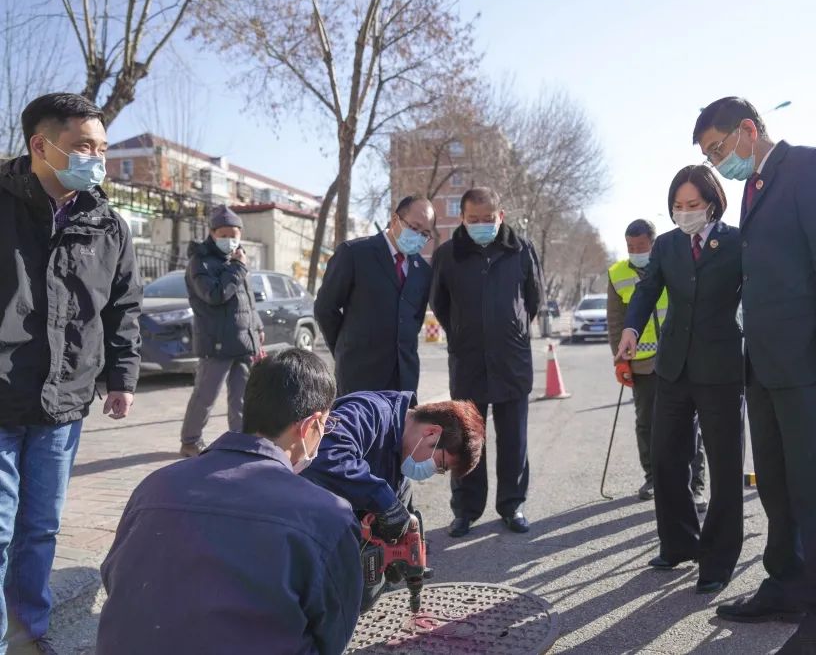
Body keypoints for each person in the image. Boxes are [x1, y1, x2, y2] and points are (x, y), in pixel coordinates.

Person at [694, 97, 816, 654]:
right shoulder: (754, 188)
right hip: (765, 365)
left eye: (719, 150)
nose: (719, 164)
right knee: (777, 485)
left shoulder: (814, 168)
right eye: (710, 157)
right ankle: (786, 584)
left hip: (814, 364)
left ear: (748, 129)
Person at [98, 349, 362, 655]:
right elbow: (333, 633)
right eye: (326, 427)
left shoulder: (154, 486)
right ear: (310, 426)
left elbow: (115, 579)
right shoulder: (327, 514)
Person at [0, 92, 141, 654]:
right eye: (84, 146)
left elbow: (123, 307)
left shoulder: (107, 225)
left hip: (64, 404)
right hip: (2, 398)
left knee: (40, 528)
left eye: (103, 148)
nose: (96, 159)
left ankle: (29, 630)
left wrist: (123, 379)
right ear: (41, 145)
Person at [615, 166, 745, 595]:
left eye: (693, 205)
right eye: (677, 206)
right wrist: (630, 330)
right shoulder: (667, 245)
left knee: (725, 468)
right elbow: (646, 292)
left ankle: (718, 559)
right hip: (673, 368)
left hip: (721, 369)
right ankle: (678, 544)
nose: (685, 213)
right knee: (668, 460)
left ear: (712, 203)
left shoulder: (737, 242)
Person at [301, 391, 485, 607]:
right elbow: (324, 455)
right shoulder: (369, 413)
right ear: (432, 433)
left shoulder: (400, 476)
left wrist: (396, 557)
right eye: (441, 466)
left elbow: (400, 527)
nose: (435, 472)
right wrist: (383, 501)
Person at [430, 187, 543, 537]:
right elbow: (440, 304)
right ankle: (465, 509)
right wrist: (463, 333)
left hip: (511, 360)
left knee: (514, 440)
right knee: (467, 439)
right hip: (468, 362)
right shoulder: (449, 254)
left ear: (500, 216)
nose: (481, 225)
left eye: (487, 219)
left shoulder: (520, 250)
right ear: (462, 219)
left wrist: (512, 331)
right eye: (473, 219)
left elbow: (534, 298)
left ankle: (512, 505)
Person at [607, 219, 708, 504]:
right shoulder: (617, 274)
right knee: (647, 423)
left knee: (690, 425)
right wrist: (620, 360)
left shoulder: (673, 263)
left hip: (680, 358)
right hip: (641, 364)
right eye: (630, 247)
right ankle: (653, 478)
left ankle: (695, 485)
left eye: (641, 246)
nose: (635, 251)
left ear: (653, 243)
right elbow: (616, 322)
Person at [316, 195, 435, 396]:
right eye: (414, 228)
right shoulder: (354, 254)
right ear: (396, 219)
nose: (419, 237)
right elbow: (325, 308)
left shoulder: (422, 270)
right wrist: (345, 349)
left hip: (404, 381)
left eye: (425, 233)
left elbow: (414, 319)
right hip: (359, 378)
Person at [178, 205, 264, 457]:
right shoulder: (201, 261)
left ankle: (240, 441)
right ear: (212, 233)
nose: (230, 240)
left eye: (234, 234)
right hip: (216, 342)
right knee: (205, 396)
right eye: (224, 235)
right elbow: (215, 295)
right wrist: (237, 268)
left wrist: (256, 327)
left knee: (242, 397)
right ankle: (190, 441)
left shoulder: (238, 259)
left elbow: (247, 300)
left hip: (243, 341)